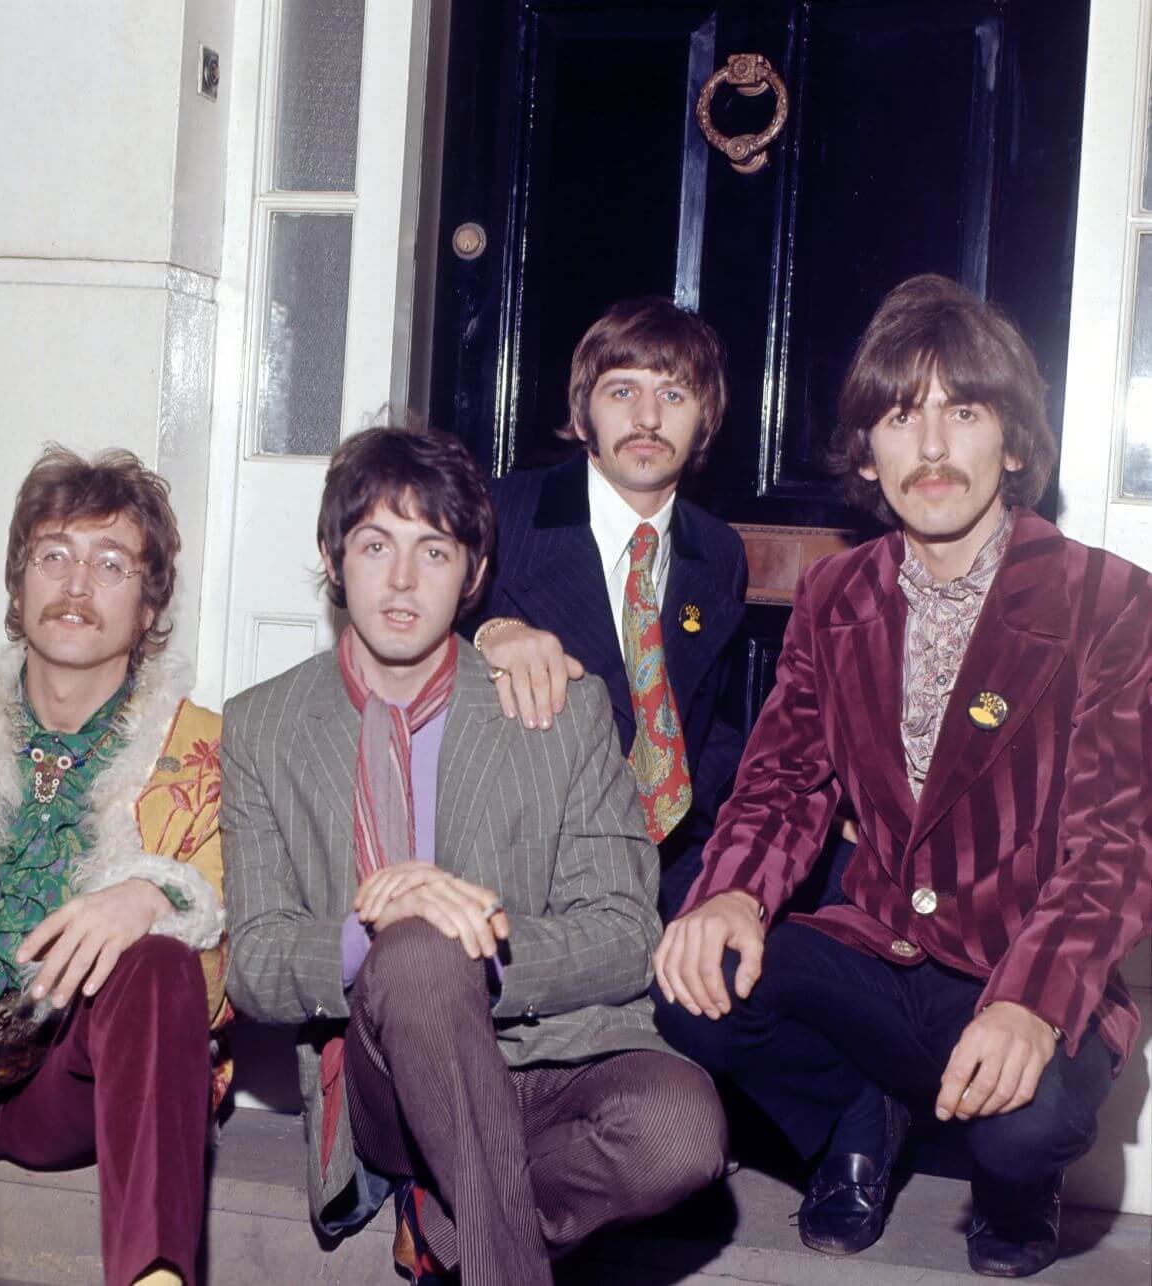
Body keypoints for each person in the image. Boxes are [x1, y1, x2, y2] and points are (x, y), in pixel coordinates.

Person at [654, 274, 1151, 1278]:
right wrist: (733, 894)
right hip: (879, 951)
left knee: (1020, 1127)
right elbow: (782, 782)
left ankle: (1012, 1180)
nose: (929, 447)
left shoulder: (1109, 599)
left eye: (961, 412)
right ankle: (857, 1106)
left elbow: (1115, 841)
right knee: (691, 981)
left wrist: (1032, 1000)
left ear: (1011, 444)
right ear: (867, 454)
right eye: (898, 414)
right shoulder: (837, 590)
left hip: (1019, 957)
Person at [221, 425, 726, 1285]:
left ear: (476, 573)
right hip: (386, 1080)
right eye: (376, 545)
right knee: (415, 949)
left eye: (436, 549)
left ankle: (446, 1223)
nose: (404, 581)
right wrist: (374, 927)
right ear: (332, 556)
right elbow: (257, 962)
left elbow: (624, 932)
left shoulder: (560, 708)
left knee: (682, 1131)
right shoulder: (263, 726)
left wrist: (481, 930)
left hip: (550, 1054)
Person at [0, 447, 227, 1286]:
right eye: (54, 555)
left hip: (66, 1078)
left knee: (163, 958)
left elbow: (228, 974)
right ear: (19, 584)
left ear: (151, 601)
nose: (78, 586)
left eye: (112, 563)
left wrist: (149, 894)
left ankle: (156, 1277)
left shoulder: (204, 756)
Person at [470, 297, 748, 916]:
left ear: (705, 421)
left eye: (675, 396)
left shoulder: (719, 553)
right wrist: (491, 632)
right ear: (583, 410)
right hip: (533, 863)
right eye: (623, 392)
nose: (648, 418)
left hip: (677, 858)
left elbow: (704, 723)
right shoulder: (499, 513)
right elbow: (413, 639)